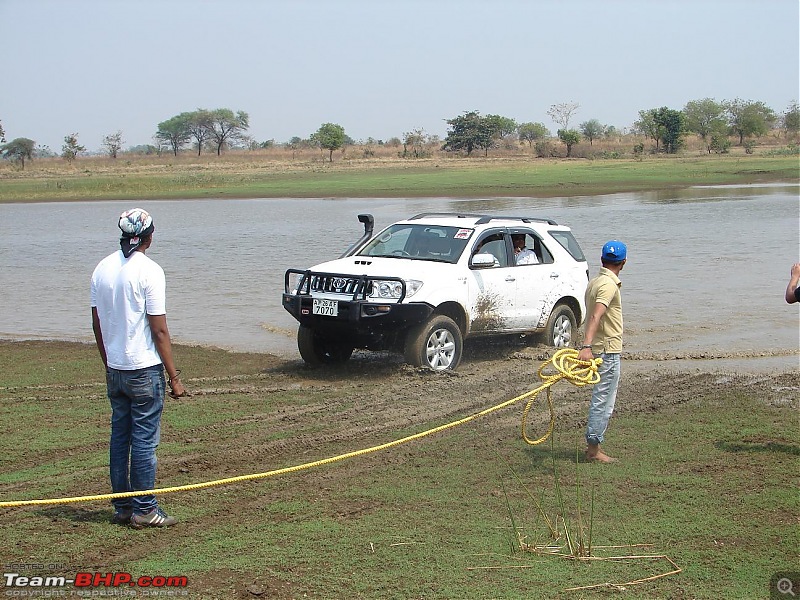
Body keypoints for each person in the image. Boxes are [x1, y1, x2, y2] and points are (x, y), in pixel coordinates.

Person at [90, 208, 186, 528]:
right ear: (149, 237)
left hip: (115, 368)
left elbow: (97, 324)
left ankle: (124, 507)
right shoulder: (150, 271)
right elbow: (159, 330)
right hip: (144, 370)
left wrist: (109, 363)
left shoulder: (102, 268)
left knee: (120, 437)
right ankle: (145, 510)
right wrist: (174, 378)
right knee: (144, 441)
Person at [577, 240, 627, 463]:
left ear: (602, 260)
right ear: (623, 263)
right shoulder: (608, 285)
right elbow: (596, 315)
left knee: (602, 398)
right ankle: (593, 450)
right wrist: (586, 347)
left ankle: (593, 446)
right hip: (606, 351)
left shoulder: (595, 282)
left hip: (601, 348)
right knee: (604, 400)